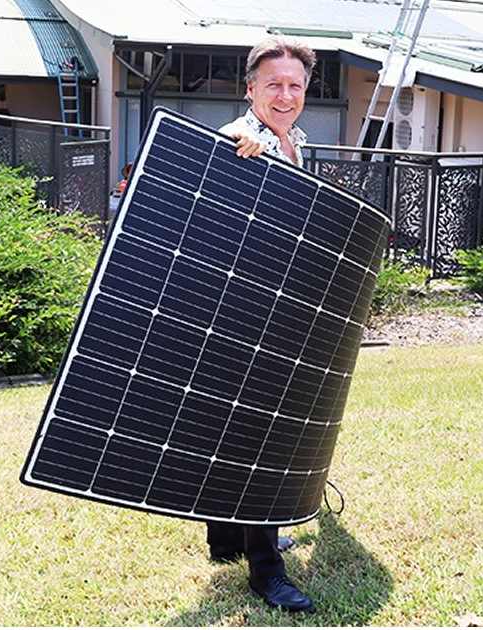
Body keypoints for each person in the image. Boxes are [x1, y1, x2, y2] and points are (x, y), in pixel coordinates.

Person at [208, 36, 315, 613]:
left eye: (295, 85)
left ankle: (225, 539)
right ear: (250, 89)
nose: (285, 93)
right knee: (257, 437)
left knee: (240, 430)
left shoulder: (299, 141)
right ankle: (266, 570)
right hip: (239, 311)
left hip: (284, 310)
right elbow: (207, 159)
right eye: (273, 83)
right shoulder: (238, 140)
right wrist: (232, 140)